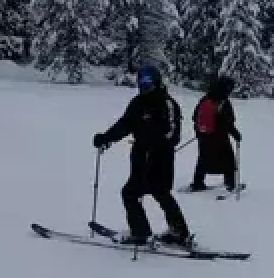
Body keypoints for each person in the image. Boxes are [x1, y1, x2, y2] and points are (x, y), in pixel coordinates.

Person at [93, 65, 191, 247]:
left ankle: (164, 232)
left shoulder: (166, 103)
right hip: (140, 157)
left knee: (154, 192)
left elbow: (172, 134)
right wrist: (106, 138)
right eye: (141, 82)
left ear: (157, 81)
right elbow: (124, 124)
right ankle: (151, 232)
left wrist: (153, 143)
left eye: (148, 82)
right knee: (136, 193)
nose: (144, 86)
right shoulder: (137, 103)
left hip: (160, 158)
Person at [188, 75, 242, 192]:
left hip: (204, 136)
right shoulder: (223, 102)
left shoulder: (206, 98)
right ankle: (230, 184)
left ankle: (198, 182)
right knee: (228, 160)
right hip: (220, 138)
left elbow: (194, 116)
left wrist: (199, 132)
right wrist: (236, 134)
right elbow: (228, 122)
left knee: (203, 159)